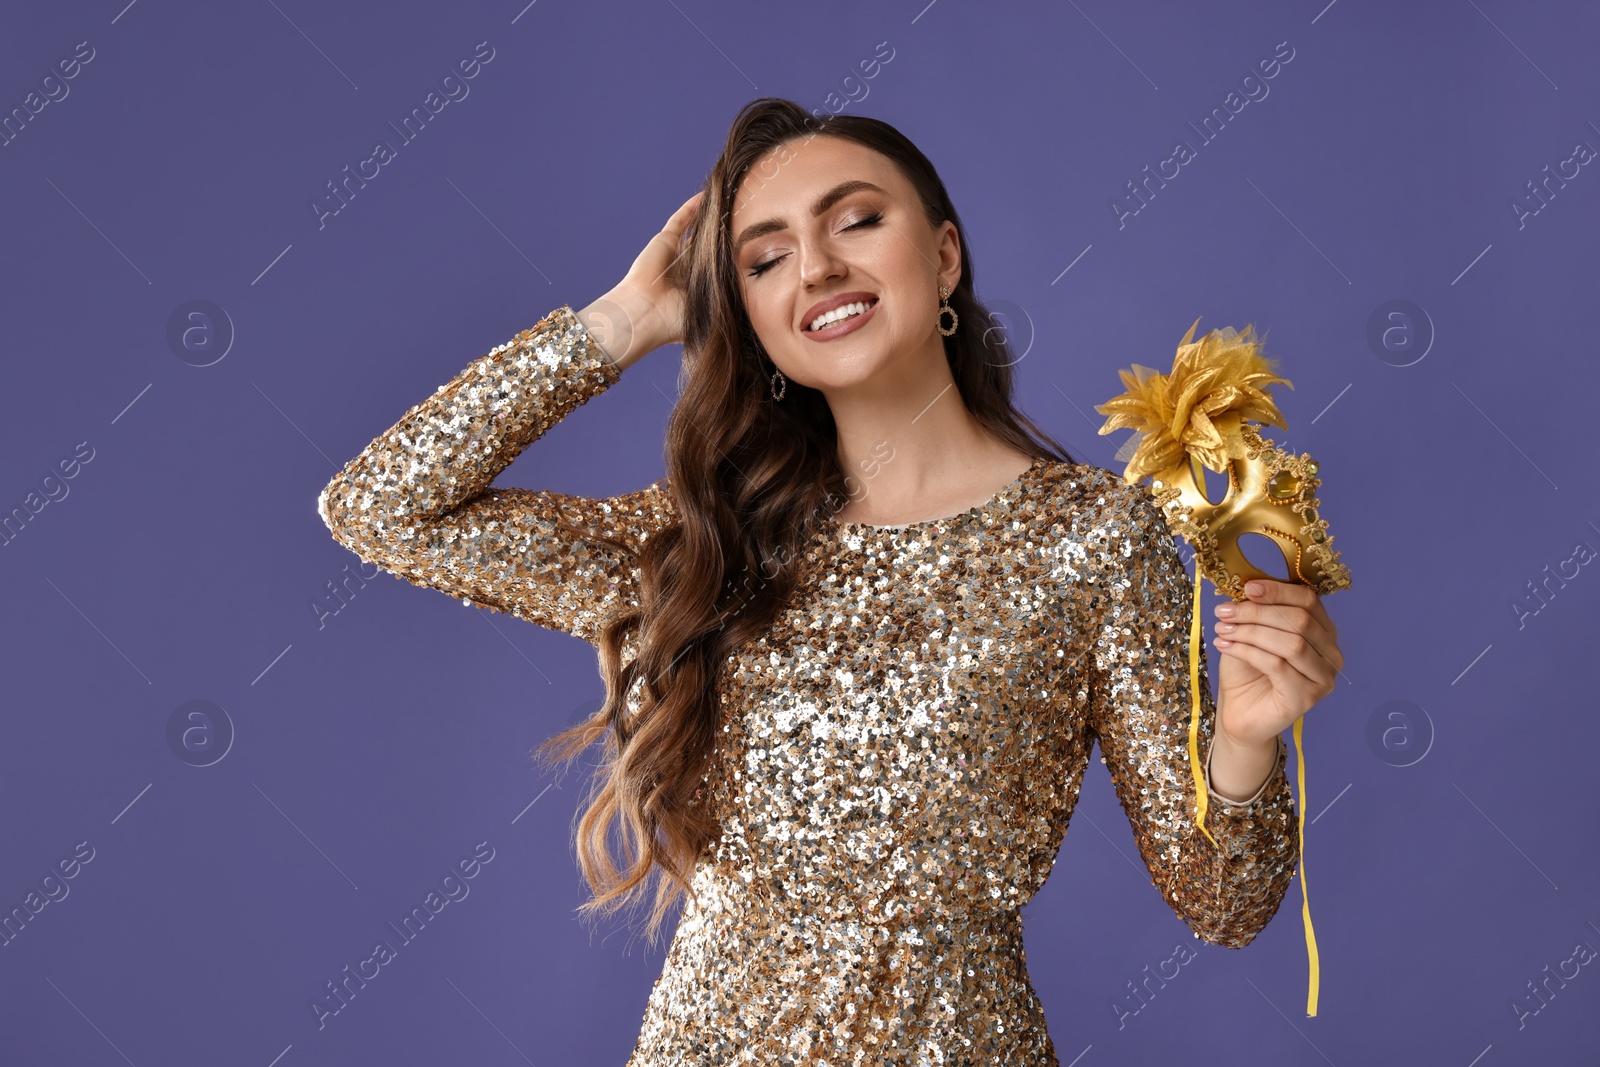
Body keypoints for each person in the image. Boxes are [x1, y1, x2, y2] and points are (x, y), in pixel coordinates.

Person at [317, 97, 1343, 1065]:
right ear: (748, 317)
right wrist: (622, 322)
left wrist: (1246, 740)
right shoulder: (704, 542)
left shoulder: (1095, 536)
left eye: (854, 220)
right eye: (763, 259)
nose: (813, 267)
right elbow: (381, 506)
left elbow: (1224, 901)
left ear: (942, 255)